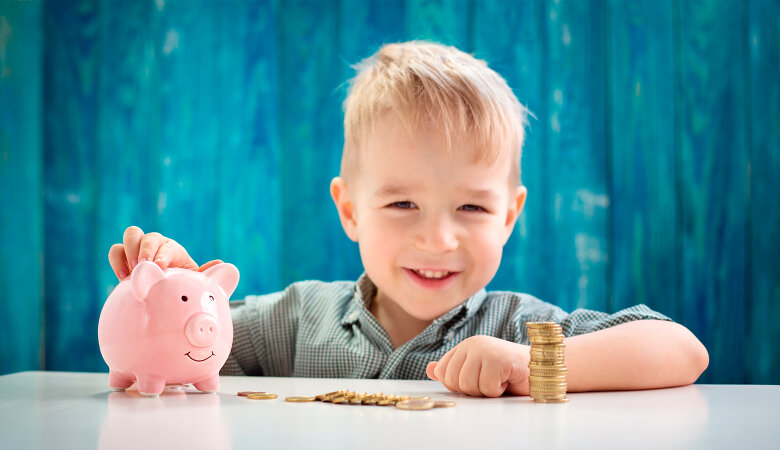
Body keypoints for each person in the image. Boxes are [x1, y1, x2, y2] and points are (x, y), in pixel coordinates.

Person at [108, 41, 708, 397]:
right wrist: (178, 304)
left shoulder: (520, 327)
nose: (438, 237)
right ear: (349, 210)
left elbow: (682, 349)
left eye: (472, 207)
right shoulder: (292, 319)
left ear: (510, 216)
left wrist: (531, 366)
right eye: (402, 204)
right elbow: (166, 370)